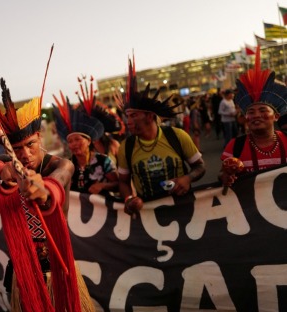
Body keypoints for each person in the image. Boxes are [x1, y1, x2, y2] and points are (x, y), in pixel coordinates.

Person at [0, 75, 96, 312]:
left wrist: (43, 191)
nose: (25, 154)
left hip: (57, 263)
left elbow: (59, 179)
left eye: (30, 145)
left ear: (39, 136)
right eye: (17, 148)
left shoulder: (59, 164)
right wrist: (2, 172)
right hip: (23, 264)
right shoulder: (9, 161)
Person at [117, 56, 206, 215]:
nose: (128, 121)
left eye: (133, 116)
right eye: (127, 116)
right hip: (149, 213)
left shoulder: (177, 136)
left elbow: (200, 166)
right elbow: (123, 182)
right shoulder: (126, 147)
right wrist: (129, 198)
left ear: (150, 116)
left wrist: (187, 179)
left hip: (184, 208)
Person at [220, 48, 287, 187]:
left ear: (276, 116)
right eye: (251, 112)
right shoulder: (235, 146)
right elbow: (222, 174)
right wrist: (225, 176)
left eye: (262, 110)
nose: (256, 115)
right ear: (246, 117)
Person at [53, 92, 119, 196]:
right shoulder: (67, 166)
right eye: (70, 141)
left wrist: (102, 186)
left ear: (88, 141)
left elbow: (118, 184)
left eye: (78, 139)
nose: (74, 144)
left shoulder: (103, 161)